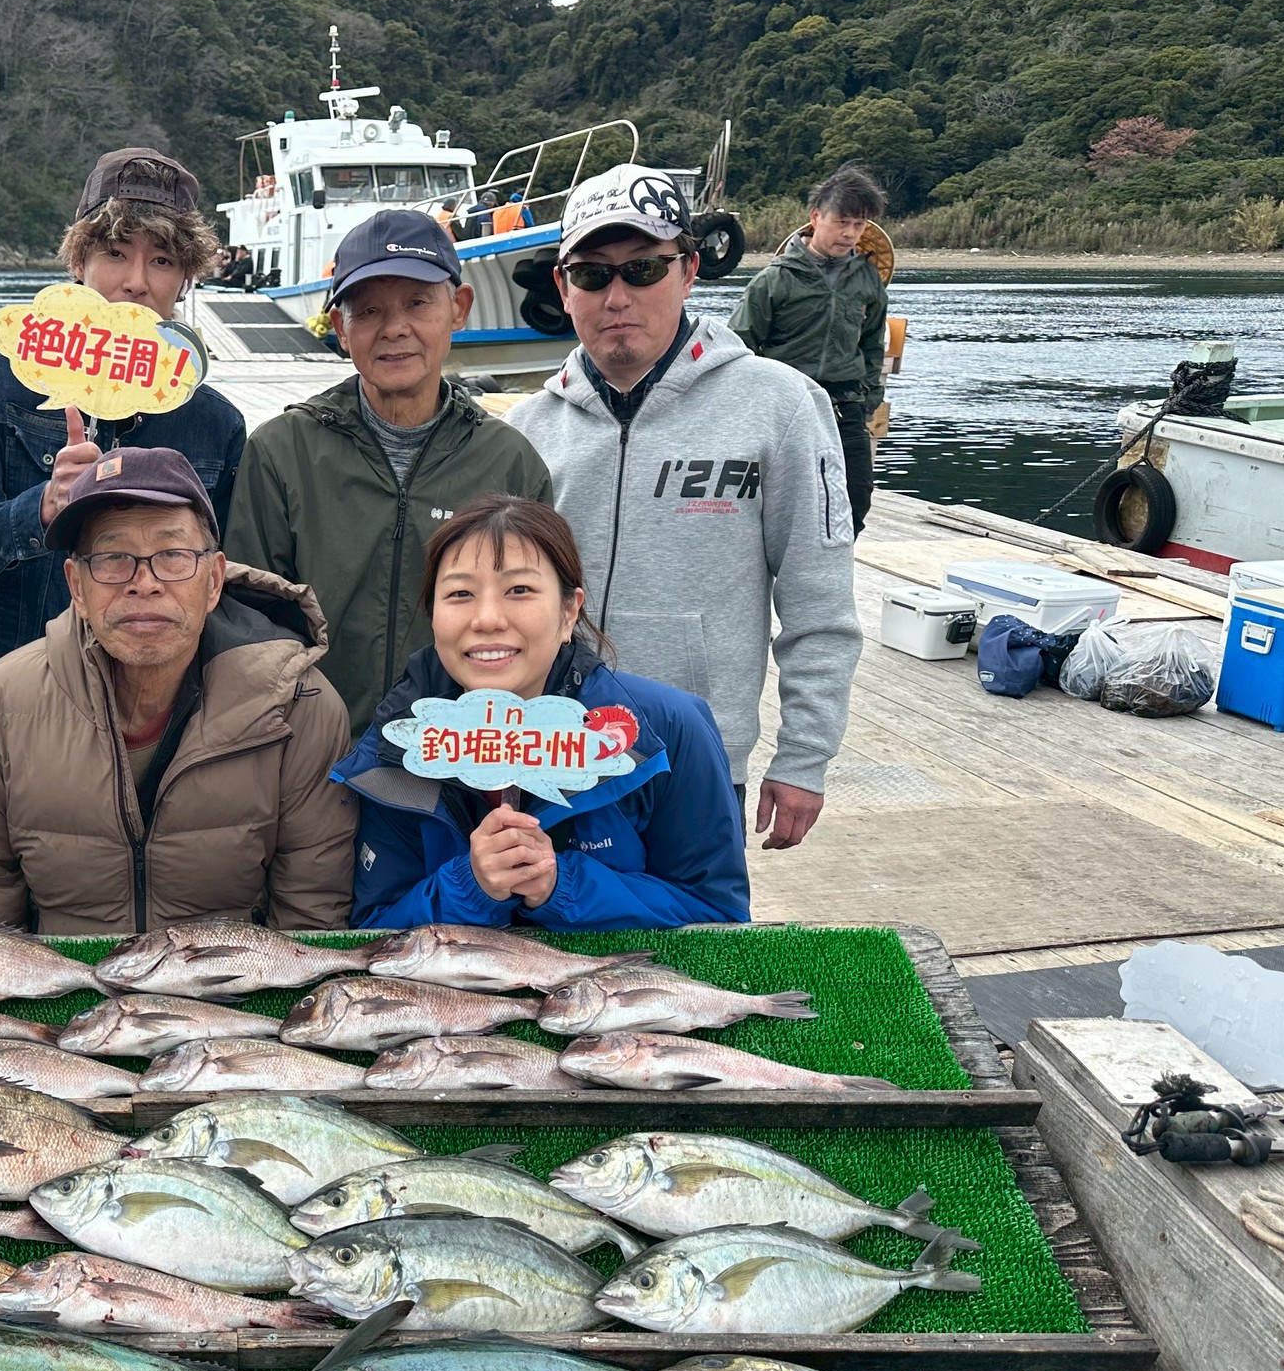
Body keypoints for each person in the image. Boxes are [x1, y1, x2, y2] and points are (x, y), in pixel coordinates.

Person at [504, 163, 860, 852]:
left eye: (643, 269)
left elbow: (821, 605)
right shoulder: (524, 429)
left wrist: (804, 757)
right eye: (592, 274)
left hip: (699, 764)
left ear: (689, 269)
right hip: (550, 765)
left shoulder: (781, 407)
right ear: (562, 285)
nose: (616, 295)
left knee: (692, 957)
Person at [0, 447, 355, 935]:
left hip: (230, 994)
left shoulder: (300, 708)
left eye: (172, 555)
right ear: (77, 587)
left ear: (214, 580)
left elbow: (309, 918)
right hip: (60, 998)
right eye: (112, 558)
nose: (144, 583)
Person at [338, 495, 747, 930]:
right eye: (460, 593)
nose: (488, 618)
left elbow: (718, 917)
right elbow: (375, 931)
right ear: (434, 616)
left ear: (569, 610)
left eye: (520, 590)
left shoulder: (665, 729)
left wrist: (560, 885)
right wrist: (469, 886)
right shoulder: (399, 743)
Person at [225, 207, 551, 736]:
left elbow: (531, 623)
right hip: (311, 753)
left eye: (418, 303)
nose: (395, 328)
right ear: (341, 328)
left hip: (458, 756)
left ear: (459, 308)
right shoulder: (281, 452)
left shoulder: (512, 461)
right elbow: (247, 619)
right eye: (369, 310)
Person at [0, 147, 247, 684]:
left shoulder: (216, 423)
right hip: (19, 694)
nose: (137, 282)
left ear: (185, 279)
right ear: (79, 262)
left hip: (157, 705)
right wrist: (43, 507)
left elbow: (226, 583)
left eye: (163, 260)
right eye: (117, 253)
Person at [730, 165, 889, 536]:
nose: (850, 233)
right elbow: (738, 344)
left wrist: (870, 397)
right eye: (842, 221)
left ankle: (833, 565)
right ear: (815, 217)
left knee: (857, 492)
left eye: (859, 225)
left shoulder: (868, 280)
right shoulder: (775, 279)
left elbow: (872, 344)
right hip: (785, 402)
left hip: (844, 402)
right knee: (779, 497)